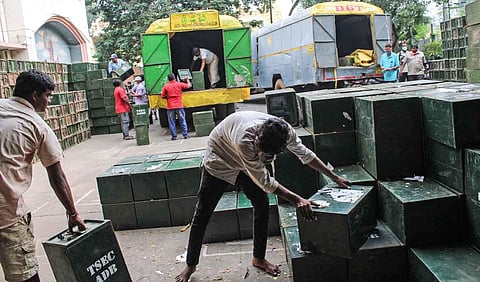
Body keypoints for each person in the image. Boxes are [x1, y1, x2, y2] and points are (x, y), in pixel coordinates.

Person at [175, 111, 350, 282]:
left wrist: (334, 177)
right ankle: (190, 265)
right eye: (260, 150)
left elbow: (305, 155)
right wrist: (298, 200)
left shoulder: (286, 132)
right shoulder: (244, 139)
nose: (261, 155)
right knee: (202, 212)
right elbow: (266, 183)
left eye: (266, 155)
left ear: (280, 149)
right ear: (258, 135)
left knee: (262, 205)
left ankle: (258, 258)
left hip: (246, 161)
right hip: (220, 157)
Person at [0, 70, 87, 282]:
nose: (48, 102)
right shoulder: (38, 126)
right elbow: (57, 178)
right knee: (24, 274)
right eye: (47, 95)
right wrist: (72, 212)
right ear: (34, 96)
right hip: (7, 215)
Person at [161, 73, 191, 140]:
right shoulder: (179, 84)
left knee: (172, 122)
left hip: (170, 106)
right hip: (179, 105)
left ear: (168, 79)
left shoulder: (166, 86)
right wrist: (187, 80)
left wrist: (168, 97)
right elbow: (189, 86)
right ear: (175, 78)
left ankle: (174, 136)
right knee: (182, 120)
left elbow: (162, 96)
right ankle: (185, 135)